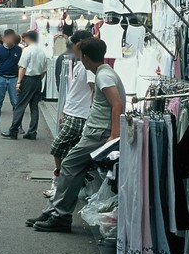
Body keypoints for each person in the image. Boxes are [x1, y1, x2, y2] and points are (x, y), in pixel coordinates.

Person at [27, 38, 124, 233]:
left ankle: (60, 215)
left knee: (70, 164)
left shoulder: (103, 76)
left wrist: (114, 135)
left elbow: (117, 104)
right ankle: (55, 211)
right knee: (73, 167)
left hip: (99, 133)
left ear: (86, 58)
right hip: (97, 131)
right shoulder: (105, 73)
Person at [47, 30, 95, 181]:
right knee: (68, 150)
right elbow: (73, 92)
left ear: (80, 44)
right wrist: (63, 111)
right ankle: (66, 181)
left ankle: (61, 179)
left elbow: (94, 91)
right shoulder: (79, 64)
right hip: (72, 112)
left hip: (80, 115)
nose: (72, 48)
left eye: (74, 44)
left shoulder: (89, 66)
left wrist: (91, 114)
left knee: (57, 146)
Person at [2, 31, 48, 140]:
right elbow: (44, 70)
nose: (23, 40)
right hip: (38, 80)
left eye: (24, 38)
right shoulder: (42, 51)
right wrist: (38, 79)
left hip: (28, 79)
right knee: (34, 106)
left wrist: (19, 82)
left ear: (28, 38)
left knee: (20, 105)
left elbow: (22, 67)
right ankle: (32, 131)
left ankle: (13, 131)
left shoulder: (27, 50)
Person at [0, 29, 22, 134]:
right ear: (4, 38)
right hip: (1, 77)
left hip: (14, 78)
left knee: (15, 103)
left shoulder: (18, 50)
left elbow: (20, 65)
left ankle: (18, 126)